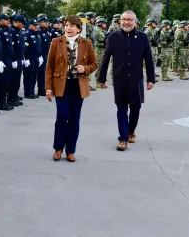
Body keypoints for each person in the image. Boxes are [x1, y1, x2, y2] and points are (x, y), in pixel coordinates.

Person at [98, 10, 155, 151]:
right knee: (121, 108)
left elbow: (148, 59)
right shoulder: (113, 37)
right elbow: (106, 58)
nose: (126, 22)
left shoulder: (142, 37)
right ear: (120, 21)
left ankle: (131, 130)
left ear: (135, 22)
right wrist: (102, 77)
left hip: (136, 78)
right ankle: (123, 138)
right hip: (119, 78)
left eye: (130, 19)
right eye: (124, 19)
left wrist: (151, 79)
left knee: (136, 107)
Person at [45, 15, 97, 162]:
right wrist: (48, 88)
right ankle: (58, 148)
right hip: (61, 85)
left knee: (74, 119)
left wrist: (84, 68)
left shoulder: (86, 43)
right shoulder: (56, 42)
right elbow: (49, 67)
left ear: (79, 29)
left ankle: (70, 150)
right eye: (67, 25)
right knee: (62, 116)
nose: (68, 28)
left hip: (78, 86)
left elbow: (94, 64)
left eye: (72, 26)